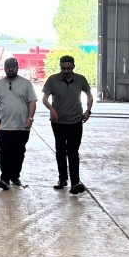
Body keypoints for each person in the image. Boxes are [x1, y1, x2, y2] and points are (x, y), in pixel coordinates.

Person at [42, 55, 93, 195]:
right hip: (58, 122)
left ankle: (75, 182)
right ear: (60, 67)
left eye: (69, 68)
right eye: (63, 68)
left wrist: (88, 110)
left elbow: (89, 95)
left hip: (75, 121)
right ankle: (62, 179)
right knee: (60, 150)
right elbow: (44, 98)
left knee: (73, 151)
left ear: (73, 67)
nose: (66, 71)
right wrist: (51, 109)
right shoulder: (52, 80)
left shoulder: (81, 79)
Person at [0, 57, 38, 189]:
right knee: (5, 152)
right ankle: (5, 178)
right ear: (4, 68)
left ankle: (15, 175)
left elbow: (32, 102)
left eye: (13, 67)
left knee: (19, 153)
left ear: (17, 68)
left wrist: (30, 118)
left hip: (22, 126)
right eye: (8, 67)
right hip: (3, 126)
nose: (10, 69)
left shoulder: (26, 84)